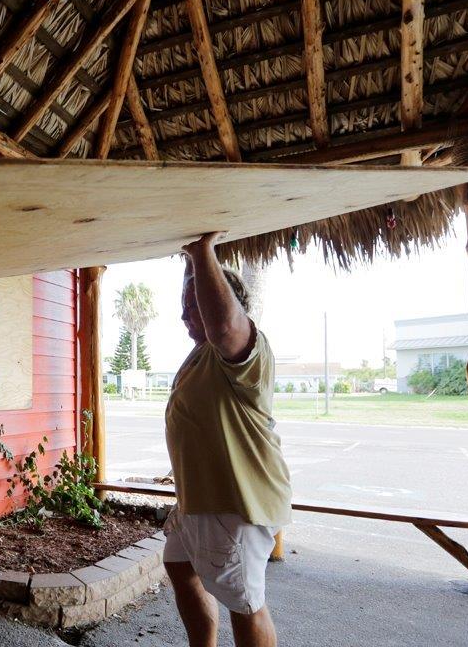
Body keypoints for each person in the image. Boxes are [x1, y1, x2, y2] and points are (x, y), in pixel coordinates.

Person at [163, 232, 292, 647]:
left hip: (236, 501)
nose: (184, 317)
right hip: (200, 500)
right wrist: (189, 259)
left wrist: (203, 250)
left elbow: (221, 323)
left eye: (191, 308)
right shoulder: (202, 353)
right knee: (181, 568)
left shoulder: (241, 349)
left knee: (244, 602)